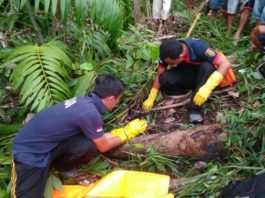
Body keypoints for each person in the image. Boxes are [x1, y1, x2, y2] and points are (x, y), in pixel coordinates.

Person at [11, 74, 148, 198]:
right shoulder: (90, 113)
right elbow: (103, 146)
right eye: (118, 99)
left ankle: (59, 166)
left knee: (87, 144)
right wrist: (126, 134)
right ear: (111, 98)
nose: (117, 102)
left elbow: (96, 137)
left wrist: (116, 133)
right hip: (29, 154)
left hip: (47, 145)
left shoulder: (84, 102)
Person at [142, 38, 236, 123]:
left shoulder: (199, 47)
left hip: (204, 75)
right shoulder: (167, 52)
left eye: (172, 63)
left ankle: (195, 108)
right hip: (187, 71)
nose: (169, 64)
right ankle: (185, 92)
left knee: (207, 67)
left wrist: (208, 86)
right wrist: (151, 97)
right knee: (164, 77)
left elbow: (225, 64)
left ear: (181, 56)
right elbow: (160, 73)